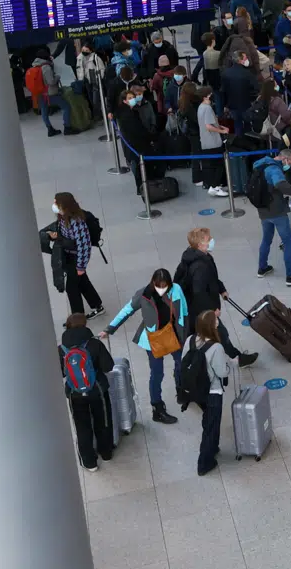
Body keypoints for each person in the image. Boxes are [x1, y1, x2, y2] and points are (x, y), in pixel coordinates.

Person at [100, 268, 189, 425]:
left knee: (181, 363)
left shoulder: (176, 289)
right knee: (157, 373)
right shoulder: (144, 294)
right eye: (158, 285)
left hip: (174, 334)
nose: (162, 289)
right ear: (153, 283)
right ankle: (157, 408)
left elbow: (184, 310)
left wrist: (185, 330)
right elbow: (127, 310)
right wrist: (110, 328)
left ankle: (181, 389)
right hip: (153, 339)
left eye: (165, 286)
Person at [172, 227, 258, 369]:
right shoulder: (199, 266)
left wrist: (221, 289)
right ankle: (235, 358)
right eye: (208, 239)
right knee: (219, 332)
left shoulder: (201, 257)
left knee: (206, 334)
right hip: (201, 310)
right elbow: (199, 292)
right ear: (200, 244)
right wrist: (212, 311)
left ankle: (195, 361)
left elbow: (212, 279)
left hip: (196, 309)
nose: (211, 240)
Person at [57, 313, 115, 472]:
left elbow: (60, 373)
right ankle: (106, 452)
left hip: (74, 394)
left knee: (82, 427)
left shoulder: (61, 349)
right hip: (97, 390)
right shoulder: (94, 344)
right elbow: (108, 366)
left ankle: (90, 463)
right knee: (102, 421)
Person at [185, 310, 237, 476]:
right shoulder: (216, 347)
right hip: (212, 391)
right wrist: (230, 365)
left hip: (195, 390)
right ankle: (205, 462)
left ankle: (213, 446)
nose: (217, 322)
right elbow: (222, 373)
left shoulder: (190, 340)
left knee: (209, 418)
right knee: (211, 423)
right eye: (215, 321)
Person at [252, 148, 291, 286]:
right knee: (288, 241)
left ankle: (262, 268)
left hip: (262, 208)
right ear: (285, 159)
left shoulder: (261, 163)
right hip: (276, 209)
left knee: (266, 238)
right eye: (290, 162)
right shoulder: (274, 170)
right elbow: (280, 184)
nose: (289, 165)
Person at [46, 193, 105, 319]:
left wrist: (81, 267)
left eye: (56, 203)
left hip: (76, 259)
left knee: (71, 289)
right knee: (83, 282)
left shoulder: (77, 222)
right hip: (67, 256)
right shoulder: (63, 217)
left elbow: (84, 245)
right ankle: (97, 306)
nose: (54, 205)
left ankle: (78, 318)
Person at [193, 86, 231, 196]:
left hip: (205, 141)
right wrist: (222, 131)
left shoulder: (201, 107)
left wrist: (221, 127)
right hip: (212, 141)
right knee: (218, 164)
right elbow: (209, 126)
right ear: (207, 95)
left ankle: (214, 185)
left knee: (212, 165)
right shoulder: (208, 108)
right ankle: (214, 186)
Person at [30, 52, 74, 137]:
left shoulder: (35, 66)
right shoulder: (46, 67)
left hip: (40, 93)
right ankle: (67, 128)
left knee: (44, 111)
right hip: (50, 93)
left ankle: (50, 129)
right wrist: (57, 77)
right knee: (66, 107)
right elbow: (51, 81)